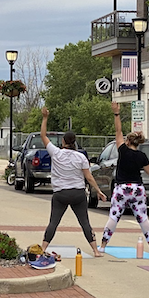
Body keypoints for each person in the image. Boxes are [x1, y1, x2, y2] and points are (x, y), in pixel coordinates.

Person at [37, 107, 106, 257]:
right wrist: (98, 191)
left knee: (53, 222)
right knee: (84, 222)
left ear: (63, 142)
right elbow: (89, 177)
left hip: (60, 193)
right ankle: (95, 250)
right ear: (75, 142)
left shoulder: (56, 153)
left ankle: (43, 248)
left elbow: (43, 135)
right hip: (78, 193)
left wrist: (45, 118)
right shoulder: (81, 157)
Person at [99, 101, 149, 254]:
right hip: (137, 188)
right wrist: (147, 167)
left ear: (128, 141)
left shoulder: (123, 150)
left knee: (114, 216)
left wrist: (116, 114)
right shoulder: (141, 155)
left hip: (121, 188)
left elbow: (118, 131)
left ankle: (103, 245)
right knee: (143, 217)